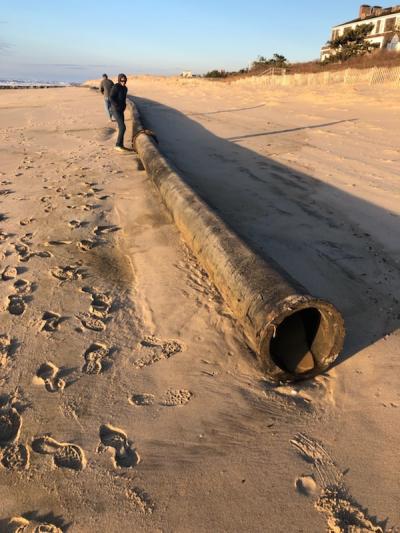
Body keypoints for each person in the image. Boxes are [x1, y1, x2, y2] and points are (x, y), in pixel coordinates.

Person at [109, 73, 128, 152]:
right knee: (123, 127)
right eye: (122, 80)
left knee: (121, 127)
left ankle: (121, 145)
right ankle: (117, 145)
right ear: (119, 80)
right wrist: (116, 105)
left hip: (121, 110)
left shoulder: (125, 88)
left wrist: (124, 106)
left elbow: (123, 99)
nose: (123, 81)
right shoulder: (116, 86)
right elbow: (111, 97)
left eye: (124, 80)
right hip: (115, 110)